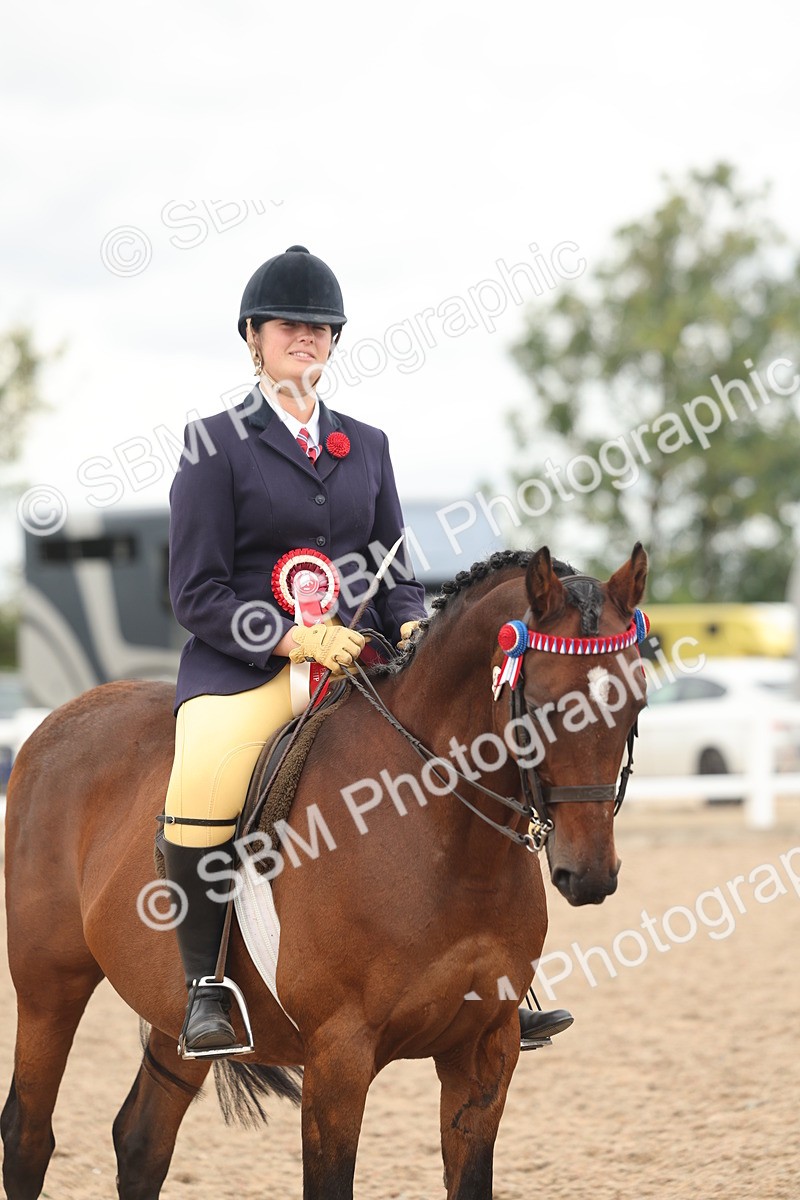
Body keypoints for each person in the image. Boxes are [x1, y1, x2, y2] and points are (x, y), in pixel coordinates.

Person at [162, 245, 572, 1057]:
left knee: (475, 755)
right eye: (289, 327)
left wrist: (413, 624)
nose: (305, 340)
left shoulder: (367, 445)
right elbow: (195, 591)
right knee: (205, 771)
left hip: (363, 664)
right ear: (253, 337)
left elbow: (394, 569)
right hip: (250, 669)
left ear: (334, 342)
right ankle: (206, 986)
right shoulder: (214, 444)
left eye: (320, 329)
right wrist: (288, 634)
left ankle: (495, 973)